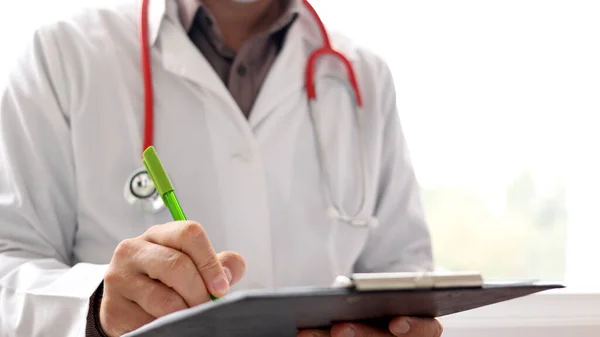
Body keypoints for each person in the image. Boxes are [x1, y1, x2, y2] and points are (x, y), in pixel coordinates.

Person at [0, 0, 442, 336]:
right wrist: (95, 307)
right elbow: (8, 266)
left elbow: (401, 269)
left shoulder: (362, 77)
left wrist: (397, 323)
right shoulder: (61, 55)